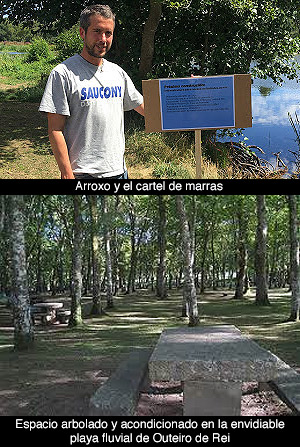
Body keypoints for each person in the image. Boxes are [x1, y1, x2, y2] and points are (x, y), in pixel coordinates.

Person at [39, 4, 144, 179]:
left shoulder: (118, 73)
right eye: (97, 31)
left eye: (108, 33)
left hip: (118, 172)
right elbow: (55, 130)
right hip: (81, 174)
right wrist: (66, 174)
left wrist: (193, 90)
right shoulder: (62, 73)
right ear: (82, 33)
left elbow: (147, 109)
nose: (103, 39)